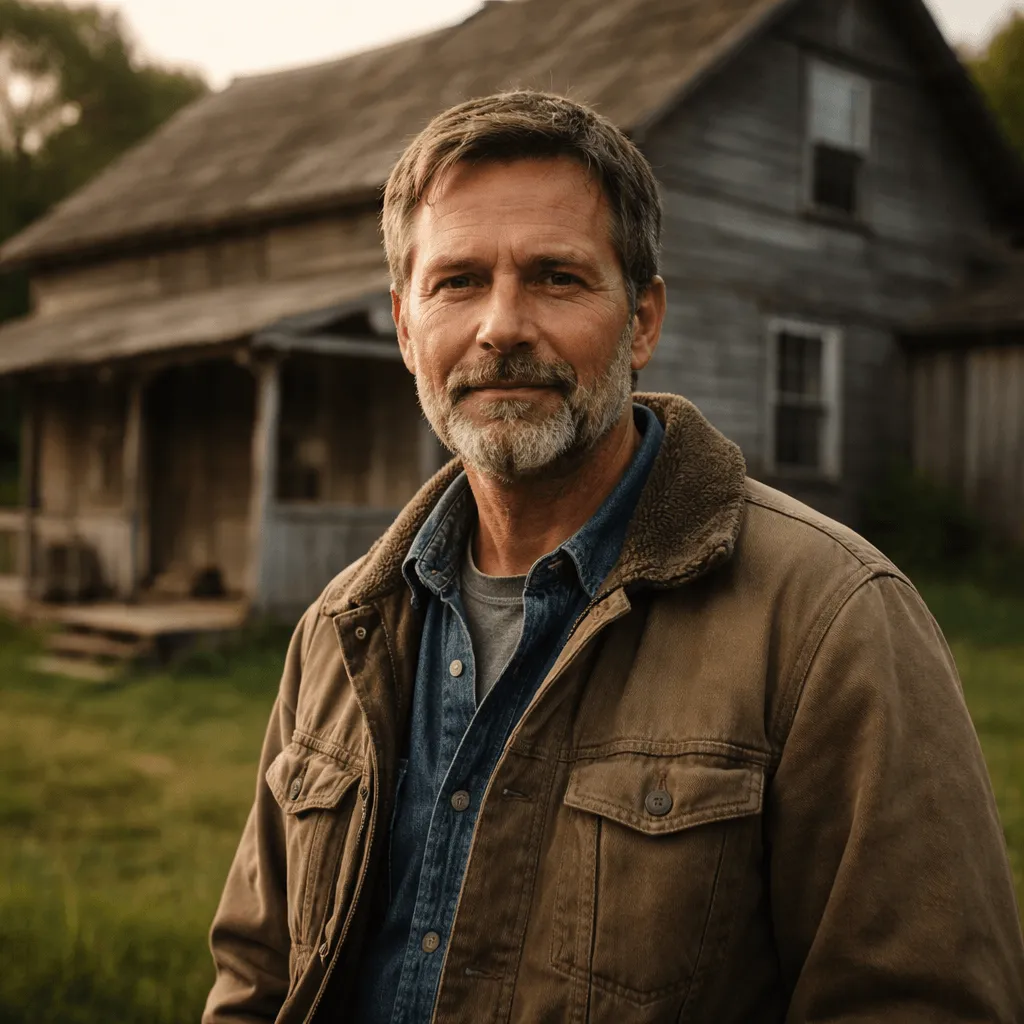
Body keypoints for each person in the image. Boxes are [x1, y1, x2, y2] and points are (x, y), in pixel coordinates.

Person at [203, 91, 1024, 1024]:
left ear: (642, 320)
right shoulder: (341, 629)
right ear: (403, 326)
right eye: (458, 281)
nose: (501, 325)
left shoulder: (833, 621)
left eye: (556, 277)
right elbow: (257, 974)